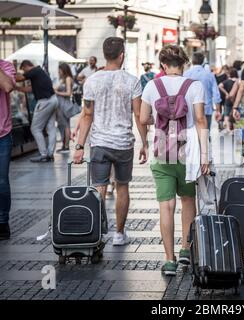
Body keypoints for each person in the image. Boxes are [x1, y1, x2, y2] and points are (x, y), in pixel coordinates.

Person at [140, 45, 209, 276]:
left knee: (166, 205)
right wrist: (205, 154)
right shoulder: (194, 86)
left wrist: (160, 117)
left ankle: (169, 261)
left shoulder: (152, 86)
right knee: (188, 200)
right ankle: (185, 250)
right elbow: (200, 120)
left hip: (162, 150)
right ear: (184, 64)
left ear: (162, 65)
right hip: (188, 151)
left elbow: (142, 118)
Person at [73, 37, 148, 246]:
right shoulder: (132, 80)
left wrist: (79, 146)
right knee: (122, 187)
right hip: (123, 143)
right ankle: (119, 234)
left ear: (105, 55)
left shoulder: (92, 81)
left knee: (99, 188)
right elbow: (138, 114)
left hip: (99, 143)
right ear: (122, 55)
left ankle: (97, 233)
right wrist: (145, 143)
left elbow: (87, 115)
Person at [17, 60, 58, 162]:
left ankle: (44, 154)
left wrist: (7, 76)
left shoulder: (34, 70)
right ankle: (50, 153)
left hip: (45, 102)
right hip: (53, 99)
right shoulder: (40, 72)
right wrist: (16, 88)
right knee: (51, 128)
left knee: (35, 129)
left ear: (26, 66)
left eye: (24, 70)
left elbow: (20, 78)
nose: (24, 72)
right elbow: (30, 89)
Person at [184, 52, 221, 131]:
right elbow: (216, 94)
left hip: (189, 110)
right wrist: (218, 110)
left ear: (192, 61)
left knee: (191, 136)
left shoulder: (185, 74)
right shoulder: (209, 75)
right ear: (203, 61)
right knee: (205, 134)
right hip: (206, 109)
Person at [0, 59, 16, 240]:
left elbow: (7, 86)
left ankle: (2, 222)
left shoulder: (5, 66)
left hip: (2, 135)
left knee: (1, 182)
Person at [55, 63, 74, 152]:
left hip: (64, 104)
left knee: (66, 125)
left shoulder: (68, 79)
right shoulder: (63, 79)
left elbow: (68, 93)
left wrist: (57, 92)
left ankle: (66, 146)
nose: (59, 71)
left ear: (64, 70)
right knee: (62, 125)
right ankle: (64, 145)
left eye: (60, 70)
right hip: (60, 104)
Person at [219, 67, 239, 133]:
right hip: (236, 100)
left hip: (228, 100)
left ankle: (228, 128)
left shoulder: (227, 81)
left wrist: (226, 93)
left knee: (226, 114)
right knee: (234, 114)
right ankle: (233, 128)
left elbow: (220, 86)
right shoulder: (238, 81)